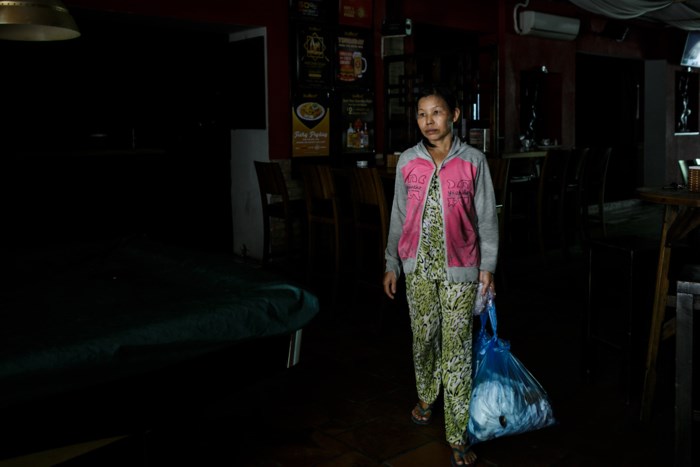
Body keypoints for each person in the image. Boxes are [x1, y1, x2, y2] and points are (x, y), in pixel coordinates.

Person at [383, 85, 498, 467]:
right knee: (424, 337)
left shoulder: (474, 161)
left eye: (436, 112)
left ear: (454, 115)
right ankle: (426, 393)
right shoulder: (407, 161)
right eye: (421, 114)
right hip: (416, 268)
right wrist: (391, 262)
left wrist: (487, 267)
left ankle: (457, 432)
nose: (428, 121)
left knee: (457, 347)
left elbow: (486, 218)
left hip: (461, 269)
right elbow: (399, 215)